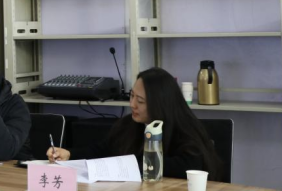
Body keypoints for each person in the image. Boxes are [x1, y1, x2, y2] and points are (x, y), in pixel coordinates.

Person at [47, 67, 223, 181]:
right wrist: (69, 154)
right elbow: (102, 150)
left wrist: (132, 165)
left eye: (140, 101)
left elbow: (189, 166)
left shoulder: (184, 129)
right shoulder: (129, 124)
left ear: (160, 104)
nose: (132, 105)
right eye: (132, 96)